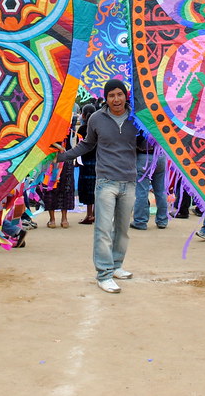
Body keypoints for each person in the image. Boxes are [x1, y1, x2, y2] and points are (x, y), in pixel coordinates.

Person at [55, 79, 142, 293]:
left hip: (129, 181)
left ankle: (116, 266)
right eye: (111, 95)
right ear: (106, 98)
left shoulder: (136, 119)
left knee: (122, 230)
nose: (116, 99)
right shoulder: (96, 118)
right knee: (103, 228)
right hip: (105, 181)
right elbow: (88, 143)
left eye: (119, 94)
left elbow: (146, 142)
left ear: (125, 96)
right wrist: (64, 156)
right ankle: (103, 274)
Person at [131, 143, 169, 230]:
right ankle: (162, 220)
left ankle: (140, 221)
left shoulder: (142, 128)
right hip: (160, 155)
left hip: (144, 157)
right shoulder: (160, 128)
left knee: (142, 192)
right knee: (161, 191)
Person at [75, 104, 97, 225]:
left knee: (87, 188)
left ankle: (89, 215)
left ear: (82, 115)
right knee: (97, 187)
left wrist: (77, 161)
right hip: (98, 161)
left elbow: (79, 147)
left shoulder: (82, 129)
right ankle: (95, 214)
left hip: (85, 161)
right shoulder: (98, 127)